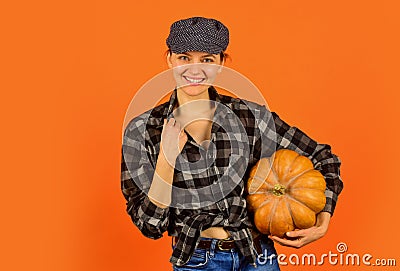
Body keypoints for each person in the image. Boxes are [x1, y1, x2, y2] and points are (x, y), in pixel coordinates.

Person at [121, 17, 343, 271]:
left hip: (258, 257)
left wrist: (323, 220)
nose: (195, 70)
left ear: (222, 64)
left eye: (207, 60)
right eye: (184, 57)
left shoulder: (251, 117)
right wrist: (166, 160)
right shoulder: (142, 131)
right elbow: (150, 226)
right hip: (198, 261)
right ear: (169, 59)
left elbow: (324, 159)